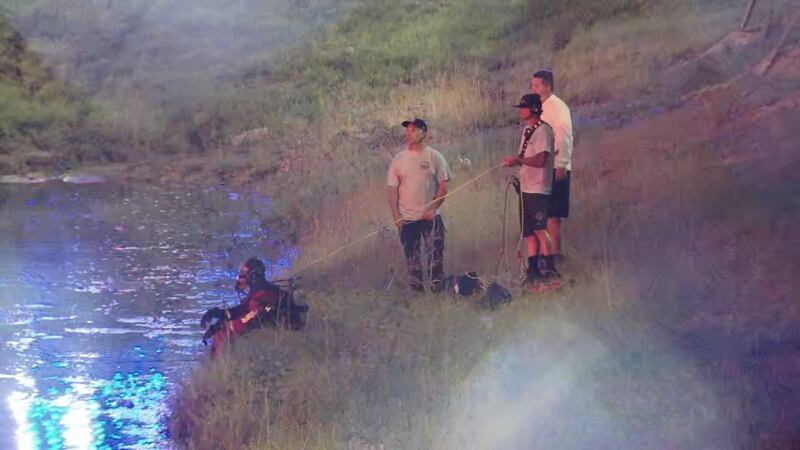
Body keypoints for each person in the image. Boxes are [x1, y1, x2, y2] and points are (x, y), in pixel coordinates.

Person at [502, 94, 560, 290]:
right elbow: (524, 156)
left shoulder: (544, 131)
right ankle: (533, 271)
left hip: (539, 188)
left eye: (523, 107)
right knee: (529, 232)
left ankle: (550, 268)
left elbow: (541, 160)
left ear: (533, 109)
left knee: (539, 229)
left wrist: (519, 161)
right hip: (527, 187)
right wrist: (514, 161)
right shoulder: (527, 130)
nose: (520, 111)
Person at [387, 118, 451, 293]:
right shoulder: (398, 160)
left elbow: (443, 187)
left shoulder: (435, 157)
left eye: (413, 130)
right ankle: (417, 293)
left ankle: (437, 291)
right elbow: (391, 190)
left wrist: (432, 209)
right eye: (407, 131)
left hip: (431, 217)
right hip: (408, 219)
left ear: (423, 132)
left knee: (435, 257)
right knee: (412, 259)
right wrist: (395, 215)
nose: (409, 134)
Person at [530, 70, 574, 264]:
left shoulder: (557, 107)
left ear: (547, 86)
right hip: (541, 169)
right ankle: (545, 255)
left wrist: (561, 164)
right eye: (533, 85)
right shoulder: (540, 108)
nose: (534, 89)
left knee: (553, 213)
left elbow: (564, 134)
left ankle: (555, 253)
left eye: (537, 85)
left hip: (556, 167)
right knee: (542, 212)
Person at [200, 258, 283, 355]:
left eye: (244, 272)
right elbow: (244, 309)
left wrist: (229, 326)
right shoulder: (258, 291)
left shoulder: (264, 294)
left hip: (270, 332)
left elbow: (252, 316)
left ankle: (218, 366)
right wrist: (221, 314)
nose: (240, 276)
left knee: (222, 334)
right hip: (263, 327)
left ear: (253, 275)